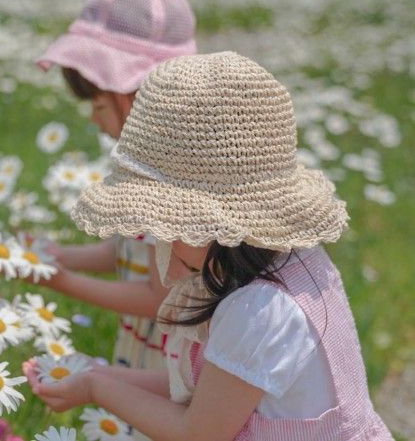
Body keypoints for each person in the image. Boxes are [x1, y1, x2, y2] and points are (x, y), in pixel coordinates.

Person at [25, 52, 394, 441]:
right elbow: (210, 392)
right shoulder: (294, 263)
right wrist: (94, 372)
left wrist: (95, 389)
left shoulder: (259, 311)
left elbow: (195, 431)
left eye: (169, 225)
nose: (161, 241)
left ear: (212, 226)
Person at [35, 0, 197, 384]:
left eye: (99, 104)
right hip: (144, 350)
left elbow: (159, 299)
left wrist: (64, 282)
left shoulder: (174, 181)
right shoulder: (145, 163)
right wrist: (59, 255)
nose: (93, 119)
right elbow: (128, 251)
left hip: (171, 363)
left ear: (139, 93)